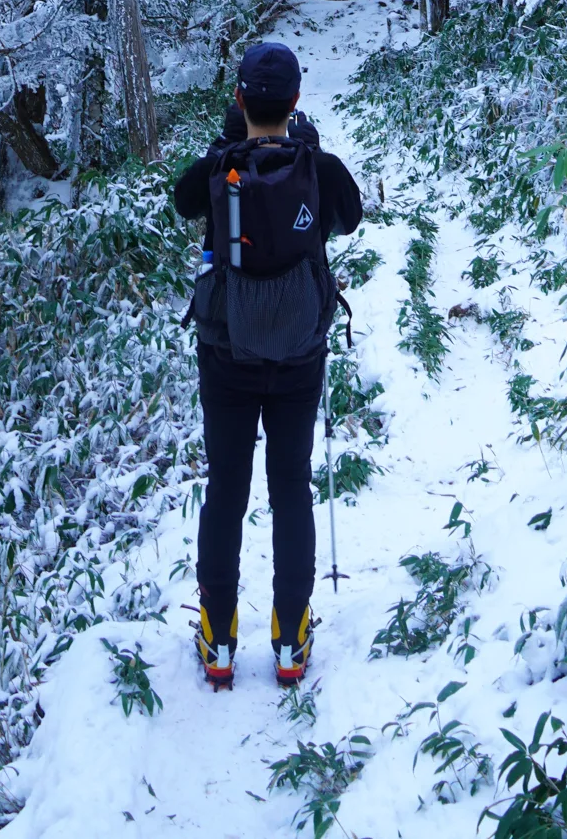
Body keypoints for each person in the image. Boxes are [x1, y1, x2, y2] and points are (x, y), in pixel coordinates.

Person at [174, 39, 362, 688]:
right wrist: (303, 155)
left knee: (227, 488)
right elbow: (350, 215)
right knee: (291, 488)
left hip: (226, 353)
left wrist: (227, 150)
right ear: (296, 101)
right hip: (300, 356)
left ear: (239, 98)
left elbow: (182, 202)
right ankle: (289, 636)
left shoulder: (219, 167)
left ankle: (219, 637)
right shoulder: (318, 164)